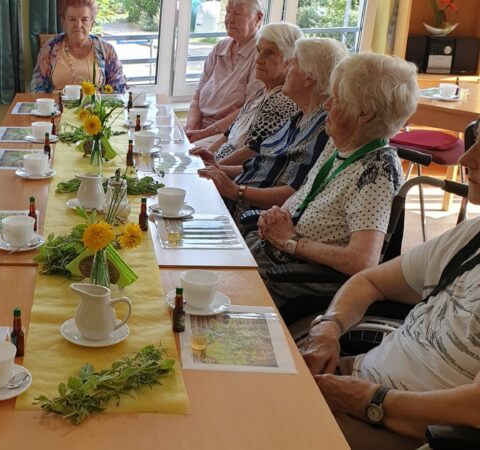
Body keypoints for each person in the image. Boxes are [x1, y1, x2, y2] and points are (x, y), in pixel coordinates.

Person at [298, 123, 480, 450]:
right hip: (356, 386)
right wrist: (327, 328)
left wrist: (371, 400)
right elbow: (370, 281)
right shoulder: (471, 235)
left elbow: (474, 409)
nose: (467, 157)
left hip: (406, 431)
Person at [247, 53, 416, 309]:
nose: (326, 105)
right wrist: (275, 215)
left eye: (336, 99)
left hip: (294, 280)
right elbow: (305, 197)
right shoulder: (339, 144)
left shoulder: (377, 171)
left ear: (364, 114)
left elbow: (362, 261)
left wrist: (292, 242)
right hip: (270, 256)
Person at [197, 37, 347, 223]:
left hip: (249, 217)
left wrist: (236, 191)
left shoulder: (323, 128)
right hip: (233, 200)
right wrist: (219, 168)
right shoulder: (298, 116)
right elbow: (263, 165)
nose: (286, 70)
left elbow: (294, 192)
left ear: (309, 77)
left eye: (292, 64)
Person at [191, 22, 302, 164]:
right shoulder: (260, 94)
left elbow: (252, 151)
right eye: (258, 51)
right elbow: (227, 134)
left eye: (269, 53)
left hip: (233, 174)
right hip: (219, 162)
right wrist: (206, 156)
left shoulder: (282, 100)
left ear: (289, 61)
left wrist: (213, 167)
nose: (259, 59)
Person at [185, 0, 264, 147]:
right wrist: (190, 130)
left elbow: (248, 110)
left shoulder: (260, 55)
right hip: (201, 129)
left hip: (228, 135)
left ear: (258, 18)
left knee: (185, 156)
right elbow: (197, 98)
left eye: (238, 13)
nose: (229, 19)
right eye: (228, 12)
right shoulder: (220, 47)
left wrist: (203, 134)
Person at [30, 0, 127, 93]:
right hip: (57, 108)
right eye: (72, 19)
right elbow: (37, 88)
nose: (78, 25)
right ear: (64, 21)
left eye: (84, 19)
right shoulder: (50, 48)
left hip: (94, 108)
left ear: (92, 23)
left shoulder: (107, 50)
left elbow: (118, 88)